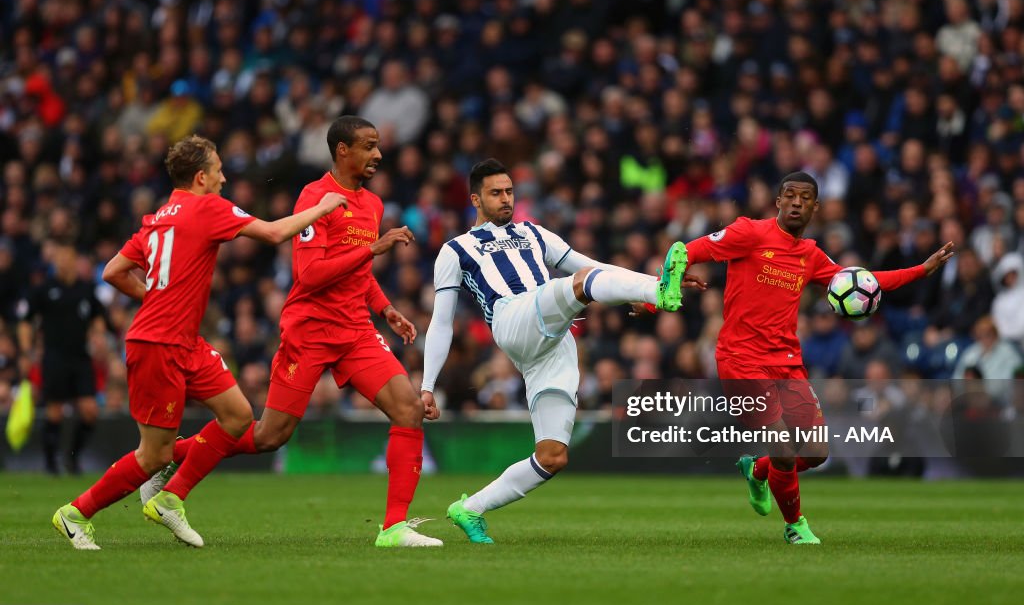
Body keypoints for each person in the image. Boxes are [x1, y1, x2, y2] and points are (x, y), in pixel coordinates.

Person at [141, 116, 442, 548]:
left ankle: (394, 528)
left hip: (355, 330)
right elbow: (311, 272)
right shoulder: (315, 197)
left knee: (409, 409)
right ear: (343, 150)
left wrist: (385, 308)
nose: (377, 154)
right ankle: (171, 459)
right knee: (269, 436)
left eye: (377, 146)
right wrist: (371, 248)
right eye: (368, 146)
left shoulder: (372, 206)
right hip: (310, 330)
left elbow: (359, 271)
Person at [52, 135, 345, 550]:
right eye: (220, 170)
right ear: (202, 176)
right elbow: (276, 233)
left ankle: (171, 495)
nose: (225, 178)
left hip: (184, 340)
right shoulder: (207, 206)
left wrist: (155, 296)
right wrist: (323, 206)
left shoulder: (156, 219)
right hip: (157, 344)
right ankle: (74, 513)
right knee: (153, 454)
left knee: (239, 415)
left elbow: (113, 271)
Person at [420, 158, 700, 543]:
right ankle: (659, 294)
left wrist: (645, 283)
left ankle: (469, 509)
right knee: (581, 285)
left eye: (509, 191)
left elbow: (593, 266)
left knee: (552, 456)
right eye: (495, 193)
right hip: (513, 318)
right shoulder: (455, 249)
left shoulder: (535, 234)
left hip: (552, 342)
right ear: (475, 199)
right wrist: (427, 385)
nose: (505, 199)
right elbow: (440, 321)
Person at [680, 171, 953, 544]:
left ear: (815, 207)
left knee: (816, 452)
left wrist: (921, 270)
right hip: (741, 358)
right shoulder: (749, 232)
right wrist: (665, 283)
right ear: (777, 201)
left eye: (805, 197)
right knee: (784, 448)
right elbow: (690, 250)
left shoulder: (809, 254)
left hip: (787, 361)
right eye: (789, 195)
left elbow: (863, 281)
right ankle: (796, 526)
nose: (796, 202)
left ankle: (757, 470)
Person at [17, 240, 108, 475]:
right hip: (55, 357)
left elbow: (98, 317)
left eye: (69, 258)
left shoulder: (86, 289)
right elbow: (26, 322)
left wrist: (98, 335)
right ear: (55, 262)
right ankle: (50, 463)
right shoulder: (44, 289)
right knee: (54, 411)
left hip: (80, 358)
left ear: (76, 261)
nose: (65, 262)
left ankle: (72, 458)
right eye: (61, 258)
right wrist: (27, 351)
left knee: (90, 410)